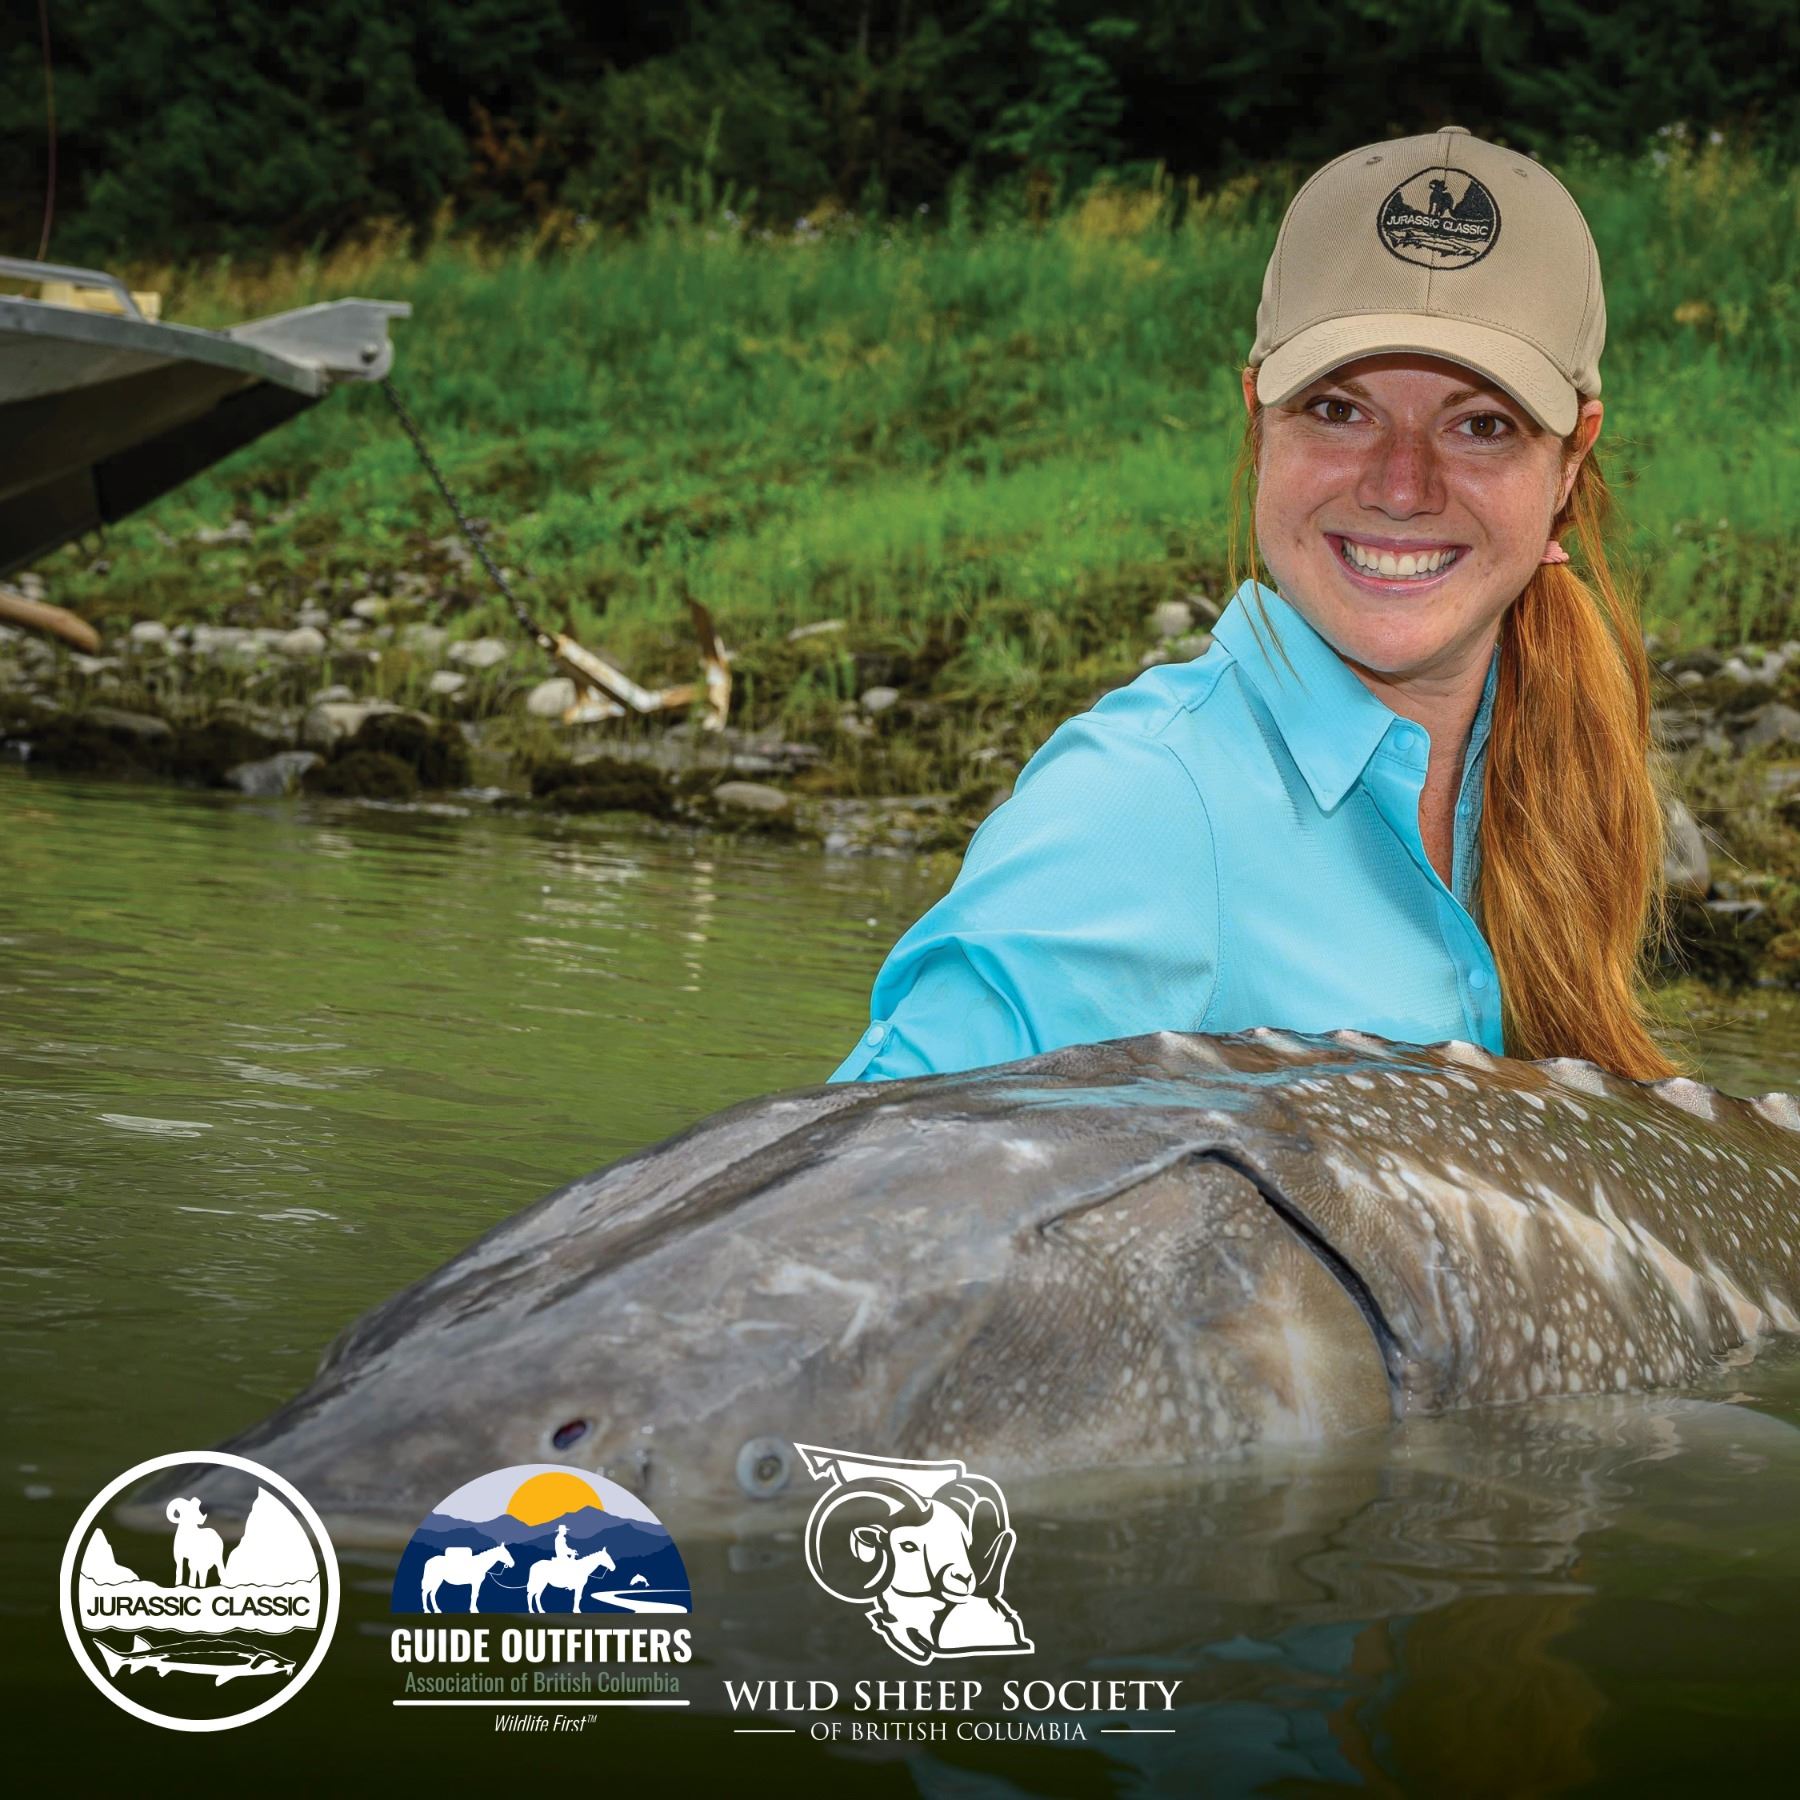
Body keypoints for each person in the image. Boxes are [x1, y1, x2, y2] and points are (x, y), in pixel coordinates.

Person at [831, 126, 1676, 1087]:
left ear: (1570, 461)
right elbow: (851, 1174)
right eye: (1339, 411)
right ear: (1257, 421)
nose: (1402, 487)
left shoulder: (1557, 776)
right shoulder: (1135, 811)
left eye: (1481, 426)